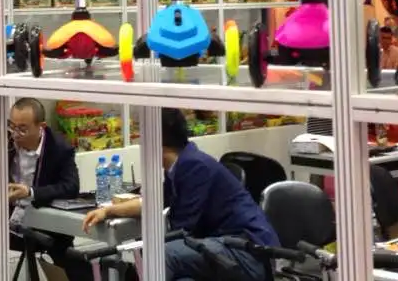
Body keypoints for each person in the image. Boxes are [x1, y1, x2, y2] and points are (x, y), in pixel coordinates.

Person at [82, 109, 278, 281]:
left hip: (248, 252)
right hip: (221, 247)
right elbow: (153, 202)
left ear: (156, 142)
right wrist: (108, 211)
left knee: (160, 255)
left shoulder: (194, 167)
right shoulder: (180, 165)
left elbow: (182, 230)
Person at [0, 98, 89, 281]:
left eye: (23, 129)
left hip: (42, 224)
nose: (15, 134)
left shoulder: (59, 149)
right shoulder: (4, 136)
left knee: (74, 264)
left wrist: (31, 192)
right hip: (7, 219)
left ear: (41, 127)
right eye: (12, 126)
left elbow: (70, 187)